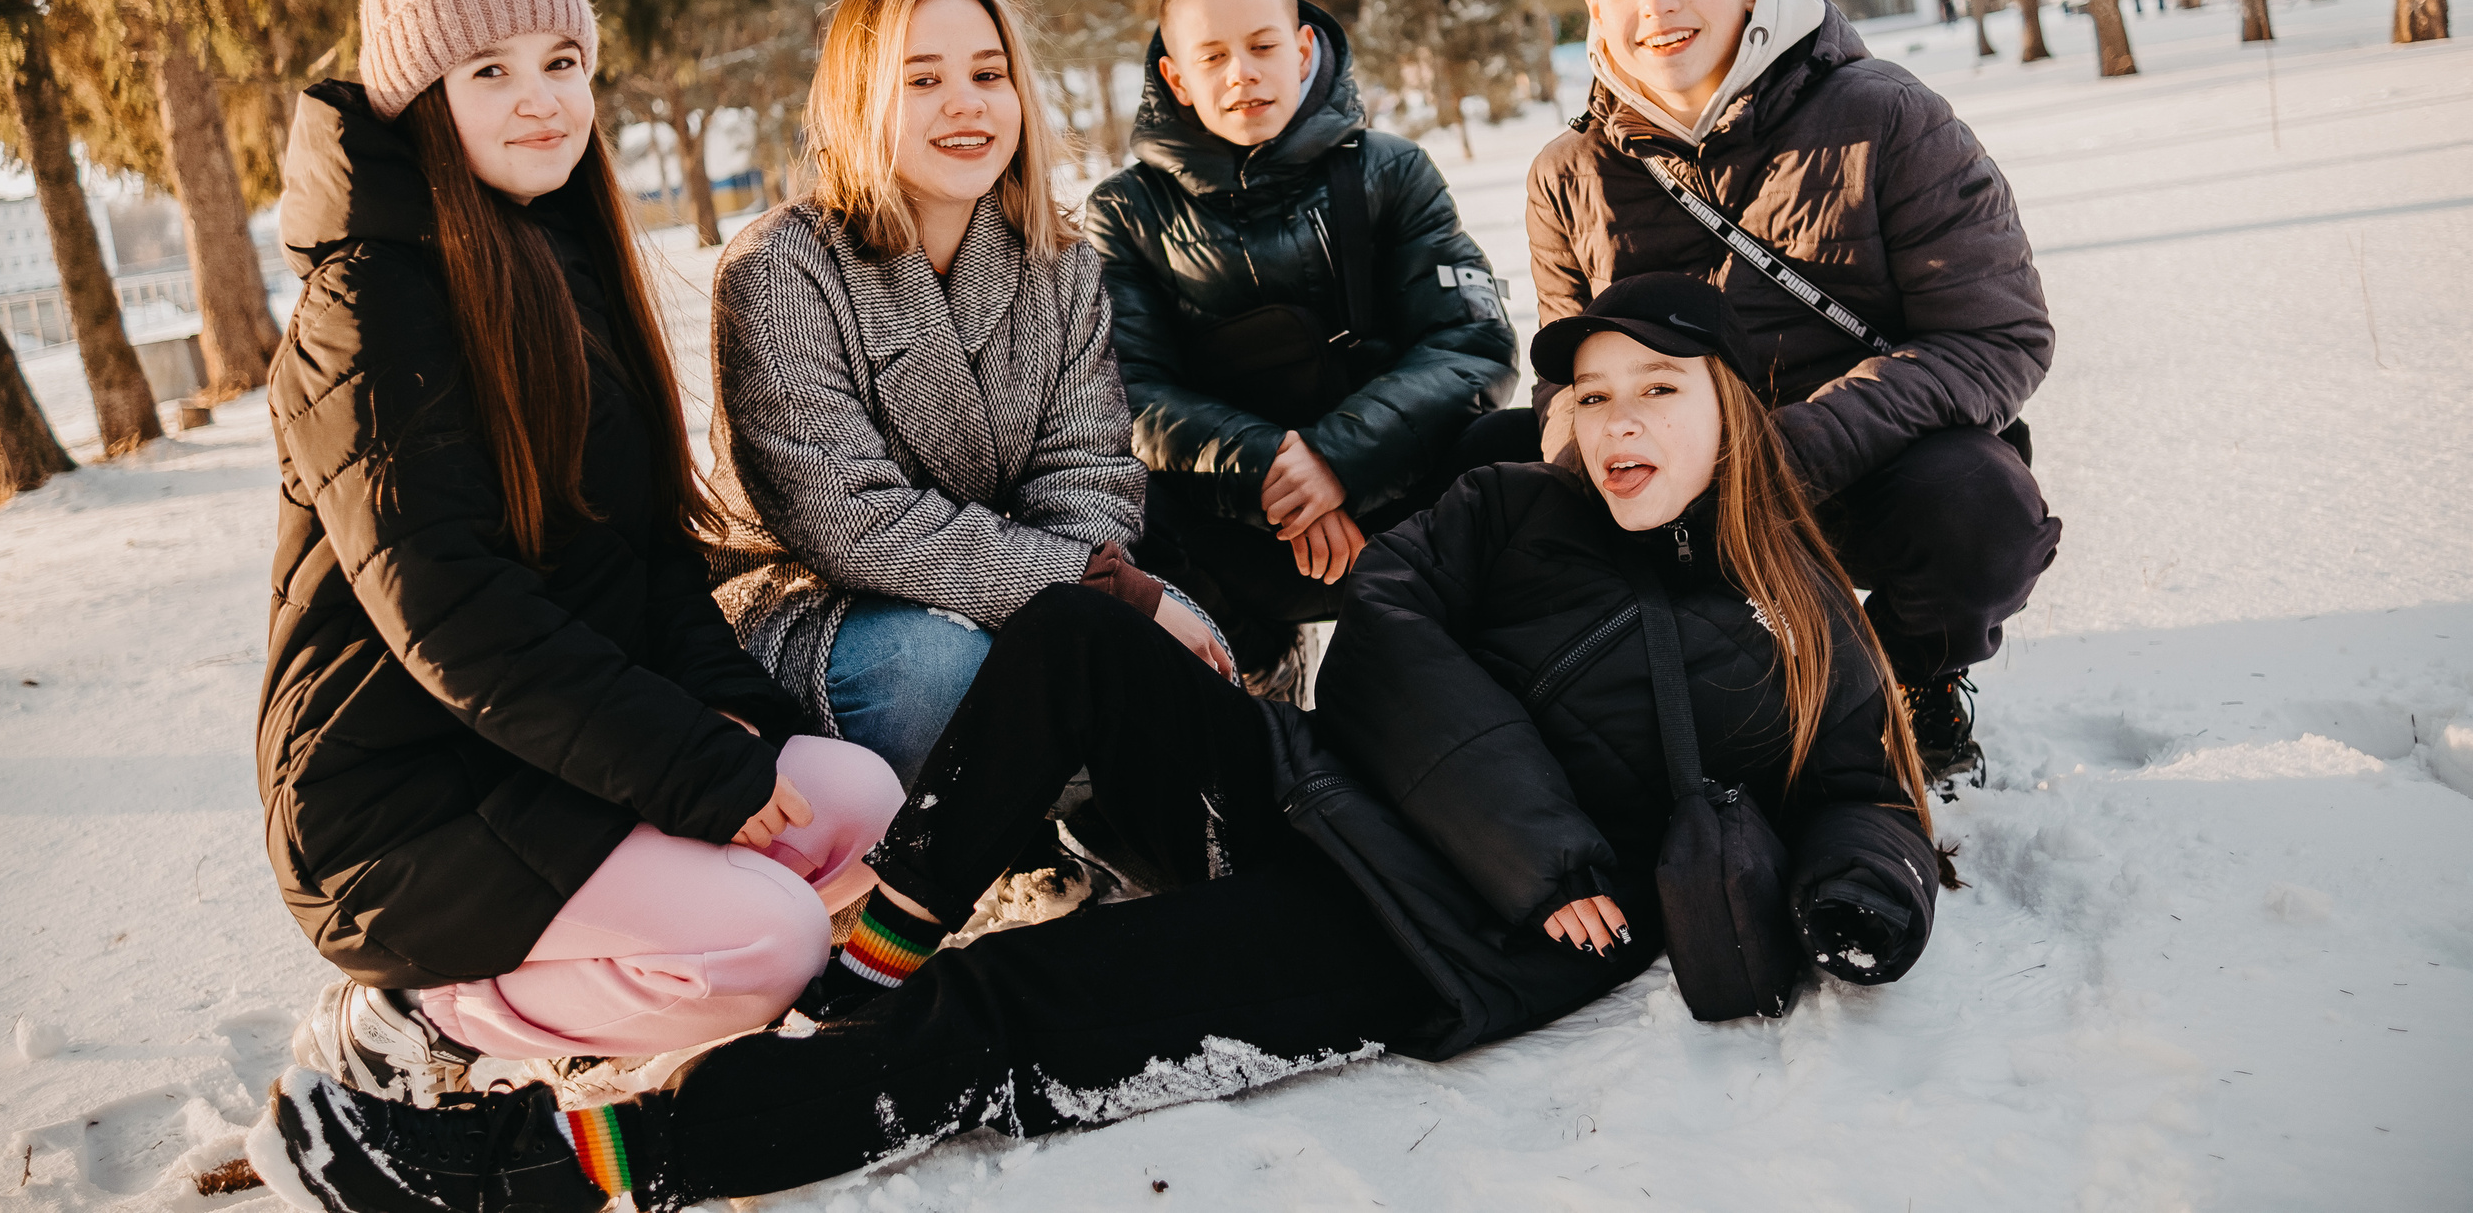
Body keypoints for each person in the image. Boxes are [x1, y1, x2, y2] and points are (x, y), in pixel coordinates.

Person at [250, 275, 1945, 1212]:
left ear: (1733, 412)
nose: (1620, 425)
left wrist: (1864, 896)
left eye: (1663, 393)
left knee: (1021, 1018)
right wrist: (1543, 835)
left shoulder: (1795, 616)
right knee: (1074, 630)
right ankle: (880, 940)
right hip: (1330, 797)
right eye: (1593, 393)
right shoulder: (1509, 510)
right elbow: (1393, 661)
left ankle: (575, 1161)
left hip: (1427, 934)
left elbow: (1866, 790)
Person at [258, 0, 902, 1110]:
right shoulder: (367, 309)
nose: (540, 98)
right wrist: (692, 770)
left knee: (856, 801)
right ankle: (423, 1015)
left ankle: (641, 955)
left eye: (560, 63)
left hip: (541, 758)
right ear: (419, 102)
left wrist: (735, 721)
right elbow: (457, 617)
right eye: (488, 71)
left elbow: (646, 558)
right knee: (773, 939)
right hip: (401, 802)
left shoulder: (552, 257)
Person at [1492, 0, 2060, 783]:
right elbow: (1567, 375)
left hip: (1858, 468)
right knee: (1494, 477)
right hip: (1671, 484)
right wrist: (1595, 470)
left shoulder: (1890, 116)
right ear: (1594, 3)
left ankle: (1906, 680)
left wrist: (1788, 449)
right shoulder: (1569, 172)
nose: (1657, 2)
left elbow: (1996, 336)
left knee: (1980, 510)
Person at [705, 0, 1224, 781]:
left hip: (1034, 590)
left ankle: (1132, 852)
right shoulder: (782, 267)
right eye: (921, 80)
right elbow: (852, 520)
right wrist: (1094, 593)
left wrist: (1076, 602)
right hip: (826, 608)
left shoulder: (1059, 265)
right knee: (939, 673)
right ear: (858, 100)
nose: (966, 103)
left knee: (1195, 655)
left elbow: (1088, 474)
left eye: (989, 73)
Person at [1088, 0, 1518, 684]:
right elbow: (1128, 394)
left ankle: (1487, 658)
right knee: (1113, 494)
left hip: (1395, 502)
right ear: (1176, 77)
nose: (1241, 73)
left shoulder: (1393, 170)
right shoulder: (1125, 212)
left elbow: (1473, 341)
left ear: (1302, 47)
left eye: (1261, 47)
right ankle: (1247, 664)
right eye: (1213, 55)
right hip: (1231, 526)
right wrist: (1271, 470)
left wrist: (1337, 461)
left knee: (1515, 439)